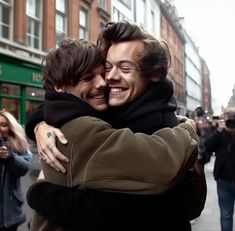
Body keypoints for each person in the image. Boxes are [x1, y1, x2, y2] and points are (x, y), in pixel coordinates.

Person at [26, 22, 199, 230]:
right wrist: (39, 124)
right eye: (108, 67)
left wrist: (40, 193)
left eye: (125, 68)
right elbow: (60, 100)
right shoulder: (101, 110)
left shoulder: (159, 123)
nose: (107, 79)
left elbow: (149, 207)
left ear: (153, 74)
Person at [204, 107, 235, 231]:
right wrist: (218, 131)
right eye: (229, 119)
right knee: (226, 215)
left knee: (226, 215)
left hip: (224, 178)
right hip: (223, 179)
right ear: (224, 119)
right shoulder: (220, 133)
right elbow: (207, 147)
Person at [0, 110, 32, 231]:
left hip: (11, 209)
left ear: (11, 127)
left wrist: (9, 157)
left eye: (4, 125)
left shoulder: (18, 144)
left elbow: (24, 168)